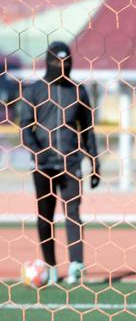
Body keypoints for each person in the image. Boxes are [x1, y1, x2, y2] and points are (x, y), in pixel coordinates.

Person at [19, 41, 100, 285]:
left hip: (71, 161)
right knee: (45, 215)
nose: (62, 67)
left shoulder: (78, 91)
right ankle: (50, 267)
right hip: (44, 165)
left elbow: (87, 130)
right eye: (57, 62)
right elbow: (25, 127)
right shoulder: (34, 91)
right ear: (48, 61)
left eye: (67, 62)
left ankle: (76, 265)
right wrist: (37, 151)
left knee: (73, 212)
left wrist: (95, 162)